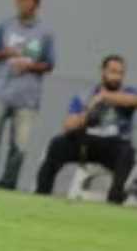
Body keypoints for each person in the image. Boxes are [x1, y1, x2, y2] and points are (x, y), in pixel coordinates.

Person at [0, 0, 55, 191]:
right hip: (0, 91)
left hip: (27, 97)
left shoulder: (45, 33)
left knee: (20, 146)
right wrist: (6, 53)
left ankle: (7, 185)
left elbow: (50, 64)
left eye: (30, 0)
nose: (24, 3)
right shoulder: (5, 26)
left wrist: (30, 65)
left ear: (37, 4)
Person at [35, 55, 137, 204]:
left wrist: (103, 97)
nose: (117, 77)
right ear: (103, 72)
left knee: (127, 152)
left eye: (120, 73)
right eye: (113, 72)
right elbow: (68, 125)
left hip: (113, 145)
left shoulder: (128, 92)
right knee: (57, 144)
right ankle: (41, 194)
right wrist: (87, 114)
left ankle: (114, 201)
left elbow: (133, 100)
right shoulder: (85, 96)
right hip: (86, 143)